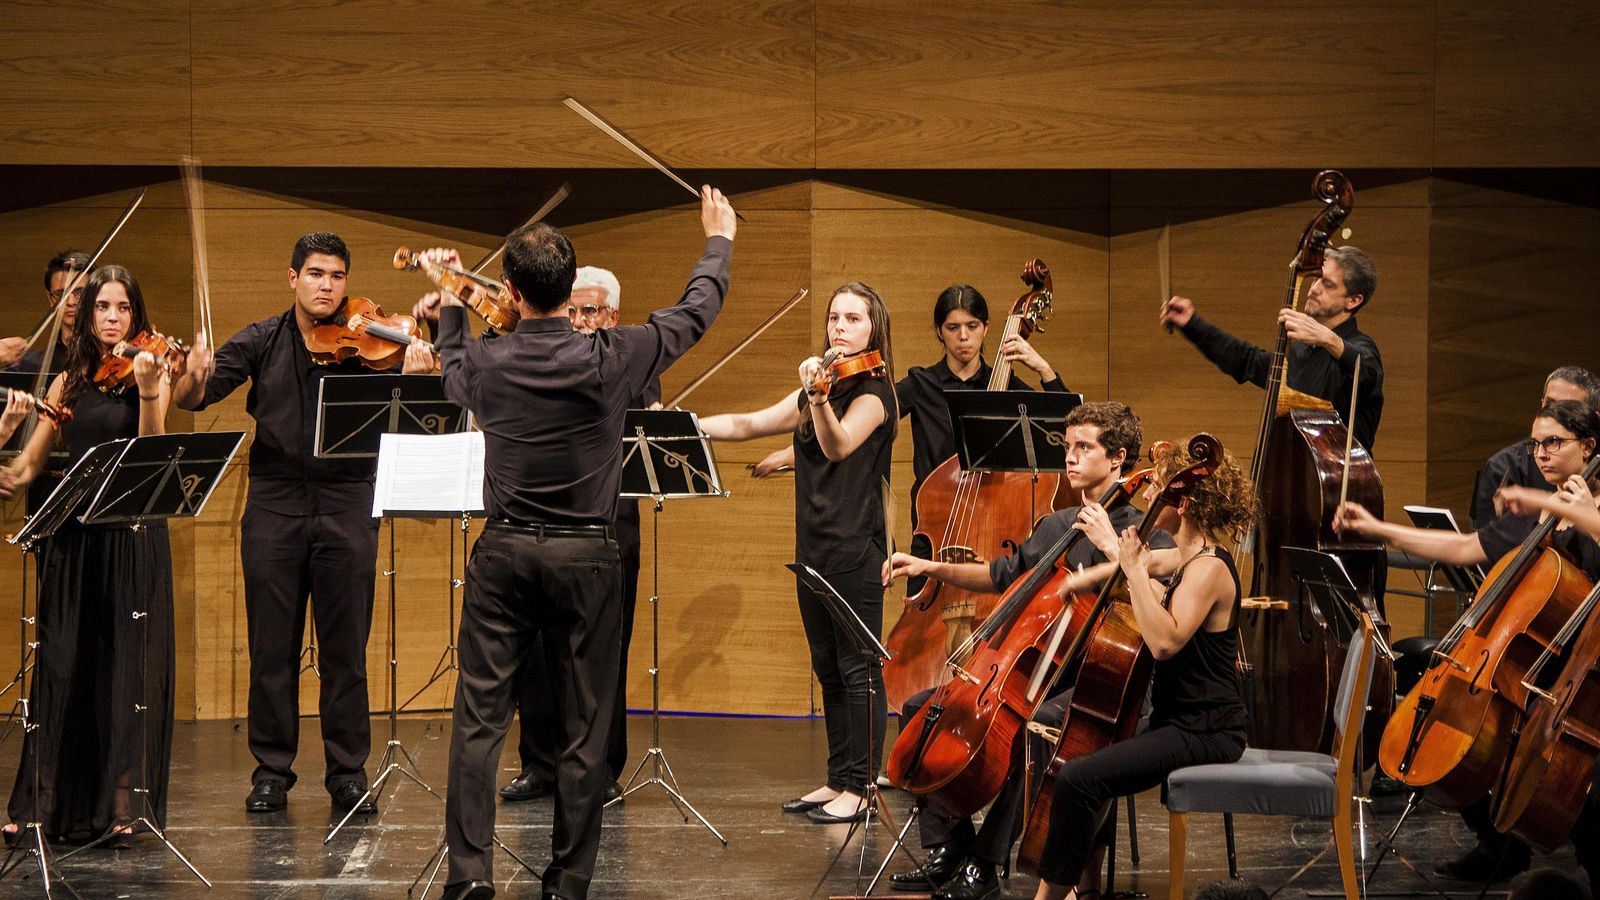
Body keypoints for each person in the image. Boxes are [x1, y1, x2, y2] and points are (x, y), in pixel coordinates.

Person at [430, 185, 735, 900]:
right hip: (587, 555)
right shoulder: (613, 357)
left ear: (510, 290)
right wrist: (717, 241)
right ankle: (567, 883)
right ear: (573, 291)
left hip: (503, 553)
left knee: (477, 723)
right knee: (585, 727)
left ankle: (469, 878)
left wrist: (448, 305)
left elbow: (449, 370)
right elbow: (696, 311)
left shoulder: (488, 363)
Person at [172, 232, 434, 816]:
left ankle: (347, 772)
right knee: (272, 648)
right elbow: (194, 397)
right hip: (275, 503)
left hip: (347, 503)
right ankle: (271, 771)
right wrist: (190, 375)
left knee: (346, 650)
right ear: (293, 278)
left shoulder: (372, 341)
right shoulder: (262, 340)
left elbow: (420, 423)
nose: (327, 286)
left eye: (337, 276)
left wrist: (417, 373)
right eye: (316, 274)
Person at [881, 401, 1168, 900]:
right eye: (1068, 447)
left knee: (1032, 733)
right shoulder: (1058, 524)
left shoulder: (1146, 531)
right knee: (918, 710)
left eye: (1085, 448)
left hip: (1104, 684)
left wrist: (1110, 547)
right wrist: (930, 569)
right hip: (1036, 671)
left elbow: (1157, 604)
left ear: (1119, 457)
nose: (1071, 459)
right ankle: (949, 845)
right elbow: (1000, 576)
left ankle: (988, 861)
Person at [1337, 399, 1600, 883]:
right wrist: (1379, 530)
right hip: (1528, 671)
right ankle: (1499, 846)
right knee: (1455, 721)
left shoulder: (1577, 508)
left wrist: (1551, 503)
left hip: (1580, 679)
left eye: (1554, 443)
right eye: (1535, 443)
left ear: (1588, 446)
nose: (1541, 453)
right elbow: (1463, 547)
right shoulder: (1535, 515)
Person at [701, 282, 898, 825]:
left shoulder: (874, 395)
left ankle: (861, 787)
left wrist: (814, 398)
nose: (839, 326)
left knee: (859, 670)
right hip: (811, 547)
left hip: (856, 550)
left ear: (873, 328)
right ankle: (838, 778)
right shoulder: (826, 388)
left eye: (853, 318)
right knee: (828, 668)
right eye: (834, 317)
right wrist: (686, 426)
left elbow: (838, 445)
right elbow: (746, 424)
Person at [1030, 438, 1258, 900]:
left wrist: (1130, 568)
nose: (1150, 498)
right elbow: (1146, 562)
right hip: (1181, 719)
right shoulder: (1188, 556)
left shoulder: (1210, 568)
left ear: (1185, 501)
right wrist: (1084, 578)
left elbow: (1165, 641)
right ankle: (1087, 888)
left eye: (1157, 490)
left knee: (1079, 777)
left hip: (1206, 729)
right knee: (1088, 748)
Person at [0, 266, 173, 847]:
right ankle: (44, 802)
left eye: (123, 308)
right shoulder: (68, 380)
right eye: (102, 307)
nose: (112, 317)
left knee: (125, 665)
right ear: (87, 313)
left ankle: (122, 805)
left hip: (128, 533)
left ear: (136, 315)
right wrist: (8, 432)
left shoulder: (152, 369)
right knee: (62, 663)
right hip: (73, 538)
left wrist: (149, 389)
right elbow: (26, 467)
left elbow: (152, 451)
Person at [500, 265, 651, 805]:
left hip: (611, 528)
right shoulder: (547, 359)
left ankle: (601, 768)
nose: (581, 320)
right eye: (574, 309)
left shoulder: (627, 363)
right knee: (538, 652)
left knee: (602, 656)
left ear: (613, 317)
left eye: (592, 311)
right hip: (542, 525)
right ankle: (540, 764)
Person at [1159, 245, 1384, 451]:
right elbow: (1245, 359)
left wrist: (1329, 339)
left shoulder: (1362, 347)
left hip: (1340, 489)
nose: (1314, 288)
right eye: (1316, 279)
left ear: (1353, 301)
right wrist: (1192, 323)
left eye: (1327, 284)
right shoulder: (1300, 351)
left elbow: (1367, 371)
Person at [1472, 366, 1600, 527]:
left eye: (1567, 408)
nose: (1554, 413)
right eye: (1549, 404)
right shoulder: (1505, 467)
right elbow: (1483, 545)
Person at [4, 249, 88, 374]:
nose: (70, 301)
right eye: (60, 294)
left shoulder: (110, 360)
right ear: (50, 299)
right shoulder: (31, 366)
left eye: (79, 292)